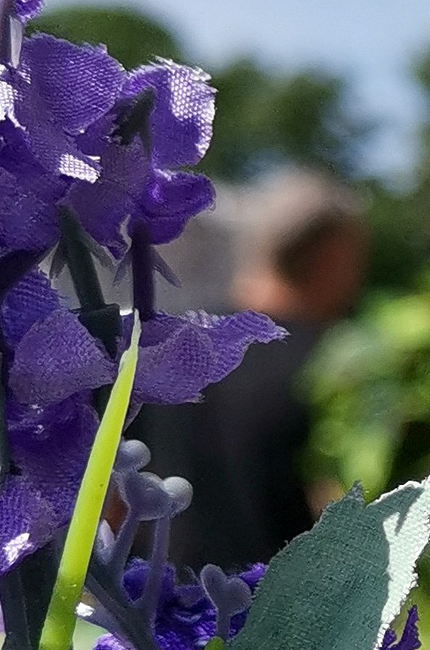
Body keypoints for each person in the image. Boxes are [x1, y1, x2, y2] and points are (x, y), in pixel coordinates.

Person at [145, 170, 369, 571]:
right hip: (287, 615)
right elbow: (347, 507)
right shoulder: (336, 363)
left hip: (159, 616)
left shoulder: (168, 350)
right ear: (329, 255)